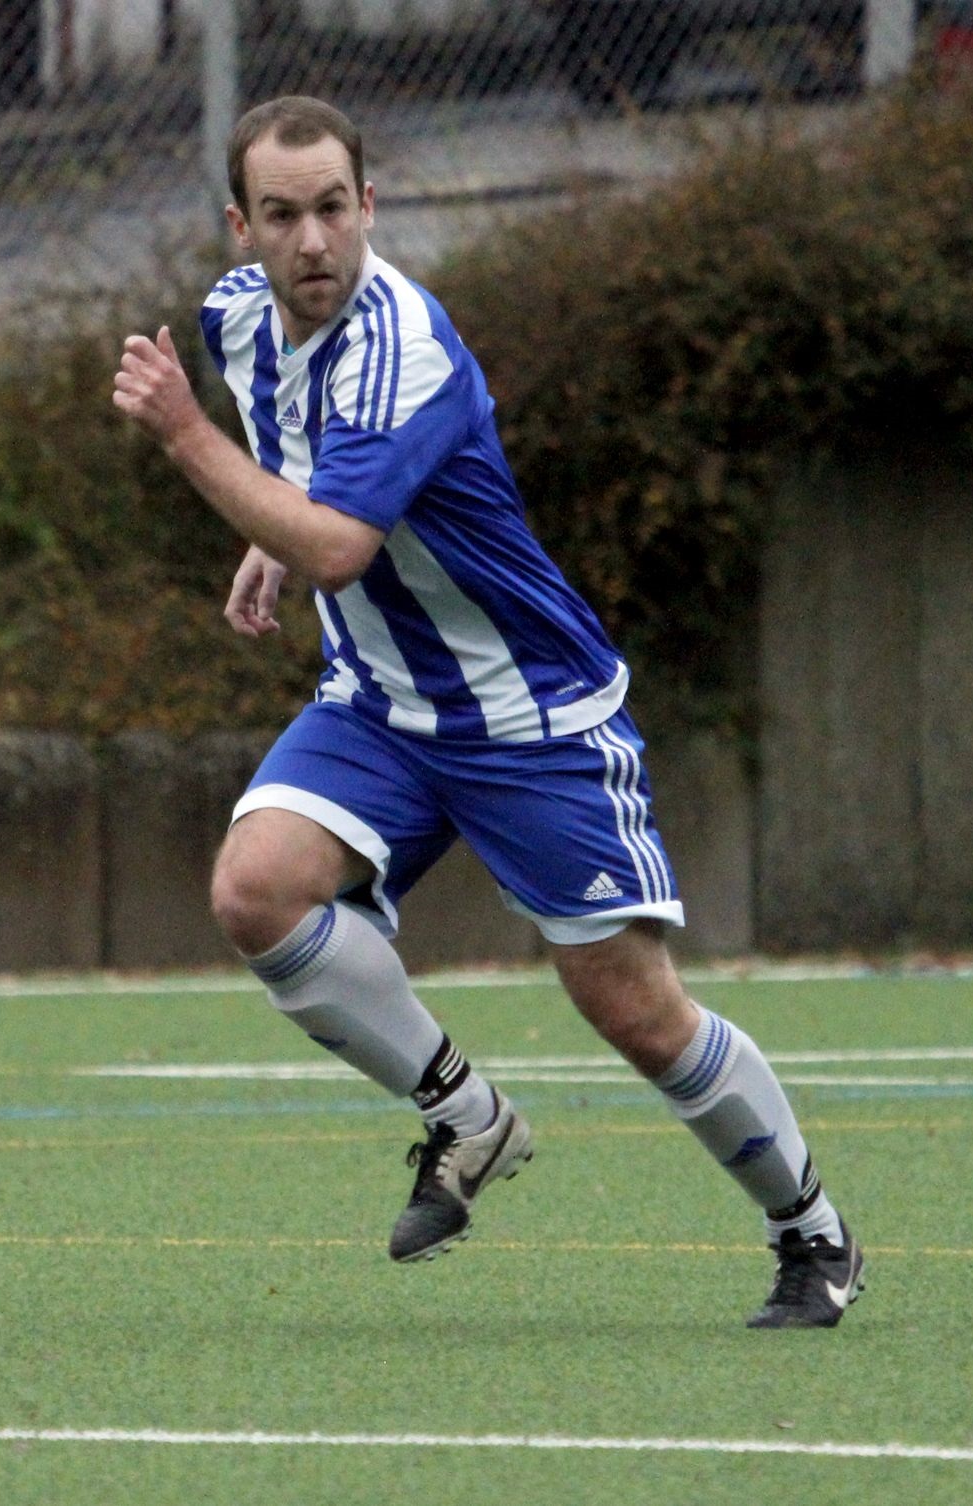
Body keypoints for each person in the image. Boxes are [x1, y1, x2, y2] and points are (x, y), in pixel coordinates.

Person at [111, 94, 863, 1328]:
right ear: (242, 228)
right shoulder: (237, 319)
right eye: (285, 216)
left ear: (373, 208)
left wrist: (196, 448)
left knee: (632, 1007)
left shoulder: (406, 338)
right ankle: (465, 1114)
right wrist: (273, 536)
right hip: (380, 705)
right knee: (256, 888)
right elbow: (312, 468)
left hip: (530, 717)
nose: (314, 242)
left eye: (335, 210)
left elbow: (346, 544)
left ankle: (812, 1233)